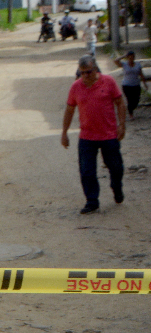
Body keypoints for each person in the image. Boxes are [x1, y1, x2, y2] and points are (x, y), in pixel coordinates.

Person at [63, 53, 125, 214]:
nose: (85, 76)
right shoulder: (76, 87)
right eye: (82, 72)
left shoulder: (108, 82)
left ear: (96, 69)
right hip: (87, 137)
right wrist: (64, 132)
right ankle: (92, 201)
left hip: (109, 135)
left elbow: (119, 102)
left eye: (88, 72)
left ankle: (116, 187)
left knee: (116, 167)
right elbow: (70, 110)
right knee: (86, 171)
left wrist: (122, 125)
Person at [115, 50, 149, 117]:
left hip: (136, 84)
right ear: (128, 58)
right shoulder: (124, 64)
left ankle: (131, 108)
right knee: (130, 99)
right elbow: (116, 61)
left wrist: (145, 83)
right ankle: (131, 114)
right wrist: (124, 56)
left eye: (133, 57)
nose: (131, 59)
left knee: (136, 100)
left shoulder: (138, 65)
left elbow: (141, 74)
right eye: (130, 57)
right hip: (126, 85)